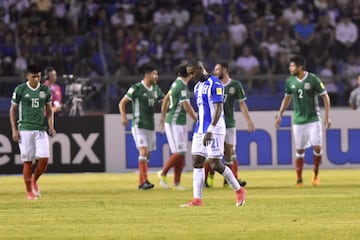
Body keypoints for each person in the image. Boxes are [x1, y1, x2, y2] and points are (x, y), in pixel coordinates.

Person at [181, 59, 246, 207]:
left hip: (214, 129)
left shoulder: (215, 83)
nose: (191, 77)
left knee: (215, 164)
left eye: (192, 73)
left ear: (200, 69)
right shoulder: (197, 86)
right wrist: (200, 127)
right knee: (197, 161)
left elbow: (218, 109)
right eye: (189, 74)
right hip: (199, 129)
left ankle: (239, 190)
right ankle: (197, 199)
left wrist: (210, 130)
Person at [275, 55, 331, 188]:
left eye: (293, 66)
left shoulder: (313, 79)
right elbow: (287, 99)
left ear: (300, 67)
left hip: (313, 119)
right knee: (299, 150)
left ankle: (315, 173)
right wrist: (279, 115)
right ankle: (299, 179)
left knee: (317, 147)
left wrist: (327, 116)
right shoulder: (290, 81)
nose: (290, 68)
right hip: (298, 120)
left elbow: (325, 97)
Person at [204, 63, 255, 188]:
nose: (215, 71)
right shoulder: (212, 84)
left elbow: (242, 104)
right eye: (214, 69)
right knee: (212, 153)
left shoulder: (235, 85)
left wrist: (249, 121)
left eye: (217, 69)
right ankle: (208, 176)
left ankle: (230, 180)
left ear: (225, 70)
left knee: (230, 152)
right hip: (214, 124)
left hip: (229, 123)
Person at [9, 64, 56, 200]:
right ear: (28, 76)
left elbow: (50, 110)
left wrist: (51, 126)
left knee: (44, 159)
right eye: (34, 76)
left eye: (39, 76)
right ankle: (29, 191)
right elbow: (12, 110)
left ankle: (34, 179)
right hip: (25, 129)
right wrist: (14, 129)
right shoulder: (21, 89)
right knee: (28, 161)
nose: (36, 79)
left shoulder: (45, 90)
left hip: (41, 129)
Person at [118, 65, 165, 190]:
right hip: (139, 124)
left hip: (150, 125)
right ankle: (144, 181)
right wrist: (124, 117)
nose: (157, 76)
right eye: (154, 74)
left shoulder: (156, 89)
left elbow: (164, 100)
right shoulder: (136, 88)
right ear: (147, 74)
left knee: (148, 154)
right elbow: (122, 103)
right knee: (143, 151)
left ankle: (142, 182)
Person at [158, 64, 197, 190]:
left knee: (180, 153)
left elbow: (165, 100)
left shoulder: (175, 84)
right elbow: (186, 105)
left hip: (176, 121)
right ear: (189, 74)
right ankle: (163, 173)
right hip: (175, 122)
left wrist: (163, 116)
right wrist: (197, 119)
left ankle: (176, 183)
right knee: (180, 152)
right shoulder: (182, 86)